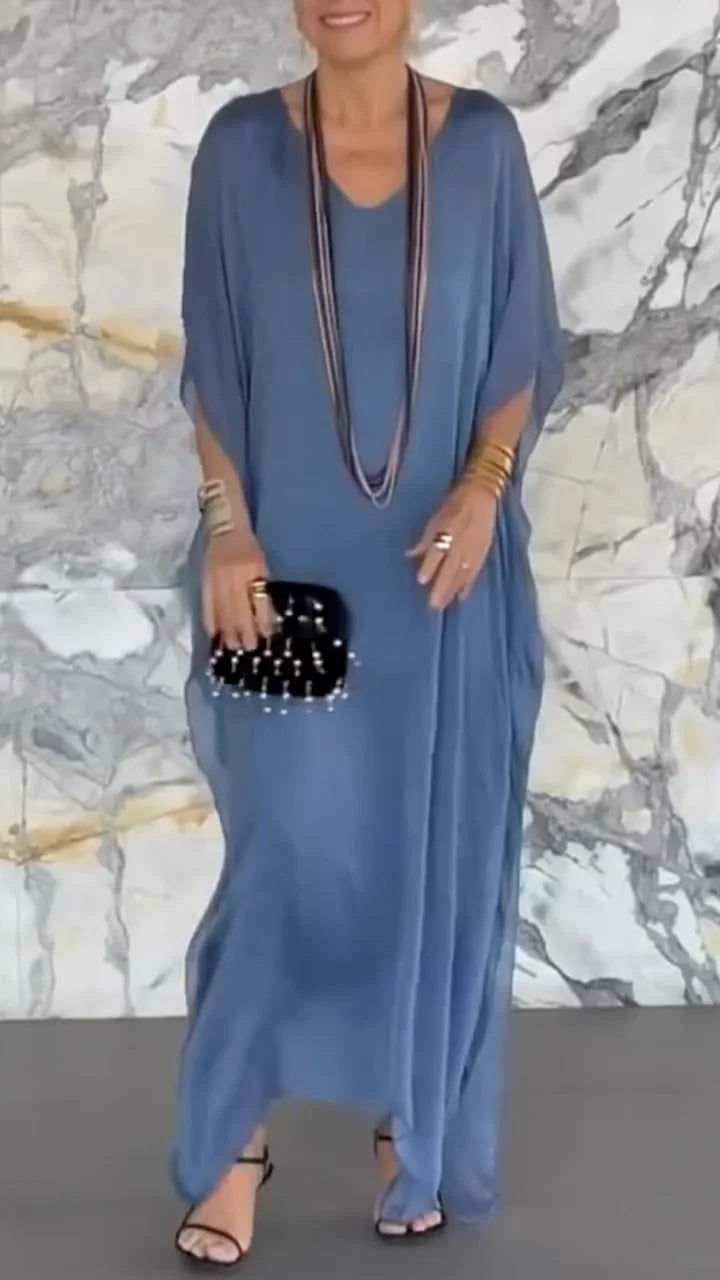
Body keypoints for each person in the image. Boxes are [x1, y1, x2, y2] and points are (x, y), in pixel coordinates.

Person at [173, 0, 564, 1265]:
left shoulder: (484, 145)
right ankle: (235, 1142)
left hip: (441, 575)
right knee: (285, 860)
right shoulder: (241, 150)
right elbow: (215, 362)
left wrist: (484, 485)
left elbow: (520, 343)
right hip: (282, 574)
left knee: (424, 854)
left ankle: (410, 1121)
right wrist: (228, 528)